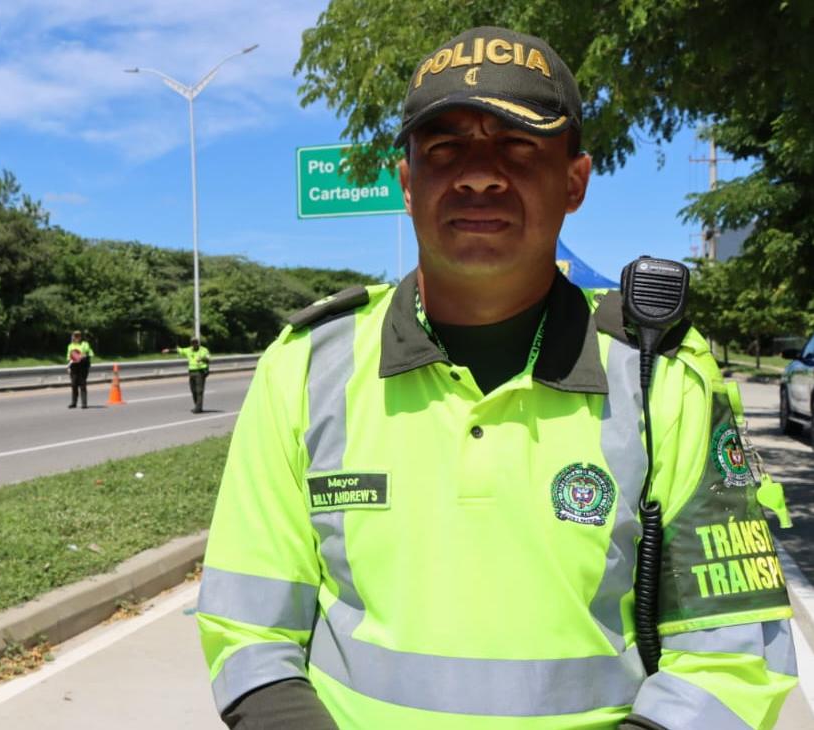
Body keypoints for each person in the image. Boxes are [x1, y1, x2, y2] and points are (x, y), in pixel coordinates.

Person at [196, 26, 796, 730]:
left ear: (574, 181)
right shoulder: (304, 367)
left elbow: (731, 659)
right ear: (405, 180)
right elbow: (249, 636)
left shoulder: (663, 379)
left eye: (518, 146)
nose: (478, 173)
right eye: (444, 147)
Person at [163, 338, 211, 412]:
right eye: (193, 343)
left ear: (198, 343)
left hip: (200, 372)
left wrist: (202, 359)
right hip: (191, 372)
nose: (194, 344)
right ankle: (197, 406)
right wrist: (168, 350)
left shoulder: (204, 350)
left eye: (196, 343)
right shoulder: (189, 350)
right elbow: (179, 350)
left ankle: (198, 408)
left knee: (199, 391)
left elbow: (209, 359)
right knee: (193, 390)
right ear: (191, 344)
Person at [65, 330, 94, 409]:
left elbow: (90, 353)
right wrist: (68, 367)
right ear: (73, 337)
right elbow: (69, 357)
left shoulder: (85, 344)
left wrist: (85, 355)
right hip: (74, 366)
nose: (77, 337)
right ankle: (74, 403)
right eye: (75, 336)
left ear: (81, 337)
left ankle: (84, 404)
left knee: (82, 384)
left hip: (83, 366)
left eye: (78, 336)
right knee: (74, 385)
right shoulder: (70, 346)